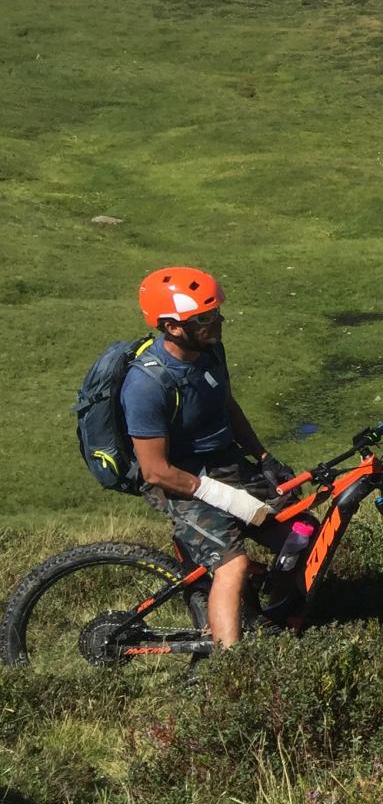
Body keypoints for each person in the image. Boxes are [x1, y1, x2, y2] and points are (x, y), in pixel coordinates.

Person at [124, 267, 306, 647]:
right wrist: (223, 497)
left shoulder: (209, 351)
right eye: (205, 318)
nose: (218, 321)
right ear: (173, 327)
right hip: (179, 482)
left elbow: (225, 404)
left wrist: (264, 456)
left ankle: (271, 616)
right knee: (232, 564)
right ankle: (230, 668)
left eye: (216, 312)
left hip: (225, 463)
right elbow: (156, 471)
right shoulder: (147, 385)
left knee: (302, 530)